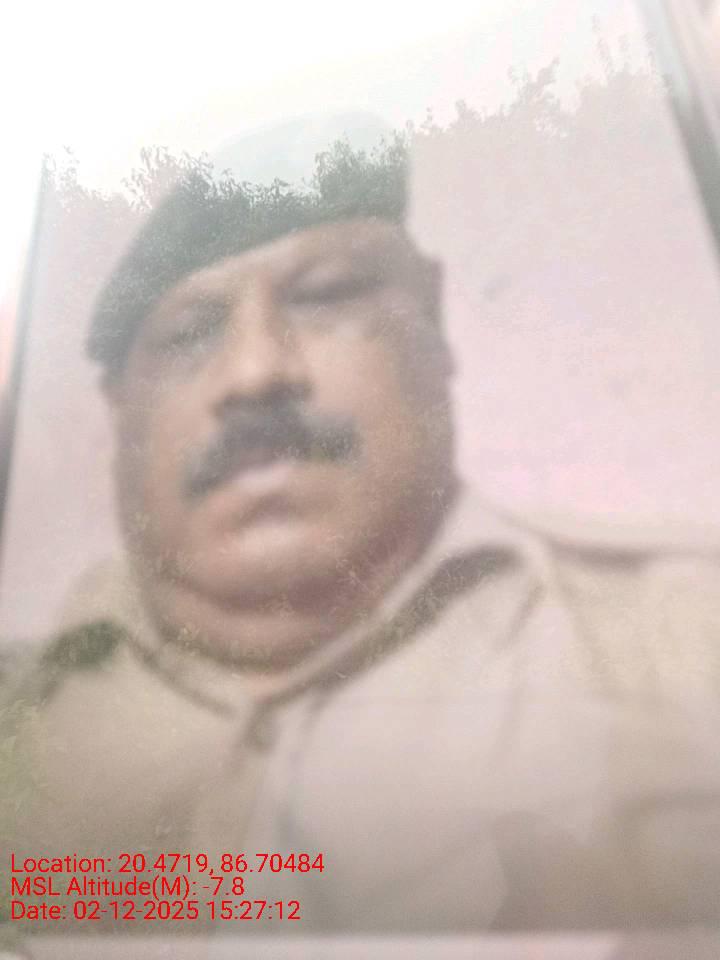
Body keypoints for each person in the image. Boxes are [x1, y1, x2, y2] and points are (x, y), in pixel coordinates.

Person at [3, 129, 720, 936]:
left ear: (431, 320)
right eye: (188, 334)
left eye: (325, 296)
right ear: (119, 411)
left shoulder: (690, 644)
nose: (256, 372)